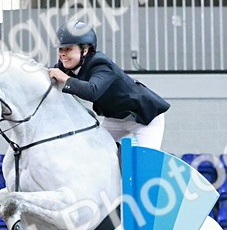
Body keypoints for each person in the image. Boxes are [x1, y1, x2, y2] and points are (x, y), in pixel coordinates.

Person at [48, 20, 170, 148]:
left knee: (146, 164)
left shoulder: (101, 64)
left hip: (145, 117)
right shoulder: (65, 65)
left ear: (85, 50)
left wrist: (65, 79)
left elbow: (92, 91)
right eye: (60, 49)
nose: (62, 54)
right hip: (115, 119)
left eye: (68, 49)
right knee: (95, 150)